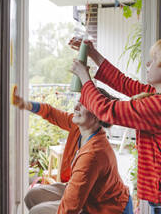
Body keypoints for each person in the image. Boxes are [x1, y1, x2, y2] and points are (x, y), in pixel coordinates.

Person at [69, 36, 161, 214]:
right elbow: (122, 82)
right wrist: (93, 54)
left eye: (154, 59)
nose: (148, 63)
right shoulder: (160, 98)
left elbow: (105, 110)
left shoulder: (160, 106)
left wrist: (84, 78)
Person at [12, 86, 133, 214]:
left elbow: (70, 209)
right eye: (79, 101)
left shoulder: (94, 154)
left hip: (105, 206)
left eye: (84, 104)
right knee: (33, 195)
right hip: (89, 194)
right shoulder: (78, 127)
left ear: (98, 115)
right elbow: (51, 112)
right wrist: (25, 104)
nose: (76, 107)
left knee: (38, 211)